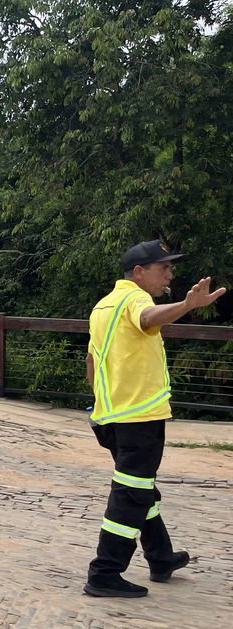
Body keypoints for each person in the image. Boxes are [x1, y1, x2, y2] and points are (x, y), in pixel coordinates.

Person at [82, 239, 225, 598]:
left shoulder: (103, 306)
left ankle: (161, 557)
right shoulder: (135, 299)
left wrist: (103, 404)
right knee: (131, 493)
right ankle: (105, 572)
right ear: (139, 272)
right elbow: (147, 319)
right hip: (138, 417)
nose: (170, 275)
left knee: (143, 488)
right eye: (165, 268)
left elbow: (91, 361)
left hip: (111, 415)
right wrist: (187, 305)